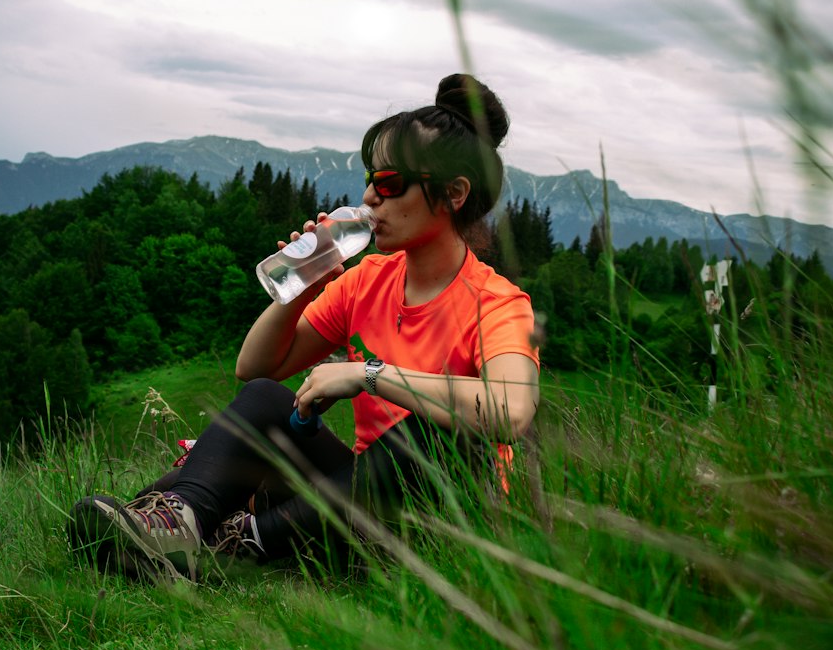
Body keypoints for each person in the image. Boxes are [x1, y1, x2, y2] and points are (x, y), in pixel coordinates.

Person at [68, 74, 540, 582]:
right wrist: (303, 287)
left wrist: (368, 375)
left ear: (453, 194)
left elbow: (509, 411)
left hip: (444, 521)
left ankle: (239, 540)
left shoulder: (497, 303)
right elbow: (255, 367)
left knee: (444, 435)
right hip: (354, 499)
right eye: (370, 178)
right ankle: (175, 523)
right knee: (267, 400)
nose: (369, 196)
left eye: (389, 183)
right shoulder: (369, 280)